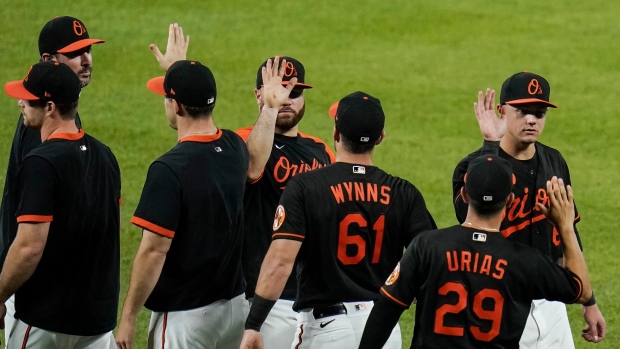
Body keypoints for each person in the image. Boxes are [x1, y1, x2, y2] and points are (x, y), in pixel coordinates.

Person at [240, 91, 436, 349]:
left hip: (326, 330)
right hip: (383, 329)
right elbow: (432, 262)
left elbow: (279, 262)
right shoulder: (403, 193)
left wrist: (254, 325)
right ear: (380, 138)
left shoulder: (306, 187)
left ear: (336, 134)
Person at [359, 155, 593, 349]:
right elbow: (580, 290)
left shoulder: (427, 247)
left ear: (464, 195)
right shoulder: (523, 261)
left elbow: (385, 310)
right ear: (510, 201)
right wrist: (565, 226)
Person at [452, 73, 605, 346]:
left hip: (551, 304)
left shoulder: (554, 161)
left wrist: (589, 301)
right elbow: (470, 230)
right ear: (502, 111)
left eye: (539, 113)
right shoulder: (474, 169)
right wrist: (491, 146)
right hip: (498, 304)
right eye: (522, 111)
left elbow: (567, 235)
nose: (532, 120)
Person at [114, 59, 249, 349]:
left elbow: (153, 251)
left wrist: (128, 316)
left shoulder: (168, 169)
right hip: (235, 310)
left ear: (175, 106)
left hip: (185, 317)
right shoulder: (235, 148)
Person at [0, 61, 120, 348]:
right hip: (97, 324)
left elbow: (29, 247)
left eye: (29, 99)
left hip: (47, 322)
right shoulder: (105, 156)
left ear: (50, 107)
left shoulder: (41, 163)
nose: (20, 102)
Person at [235, 56, 335, 348]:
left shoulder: (320, 150)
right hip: (260, 296)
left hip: (310, 299)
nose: (286, 100)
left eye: (294, 93)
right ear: (259, 94)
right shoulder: (242, 141)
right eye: (278, 91)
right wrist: (269, 108)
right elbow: (253, 167)